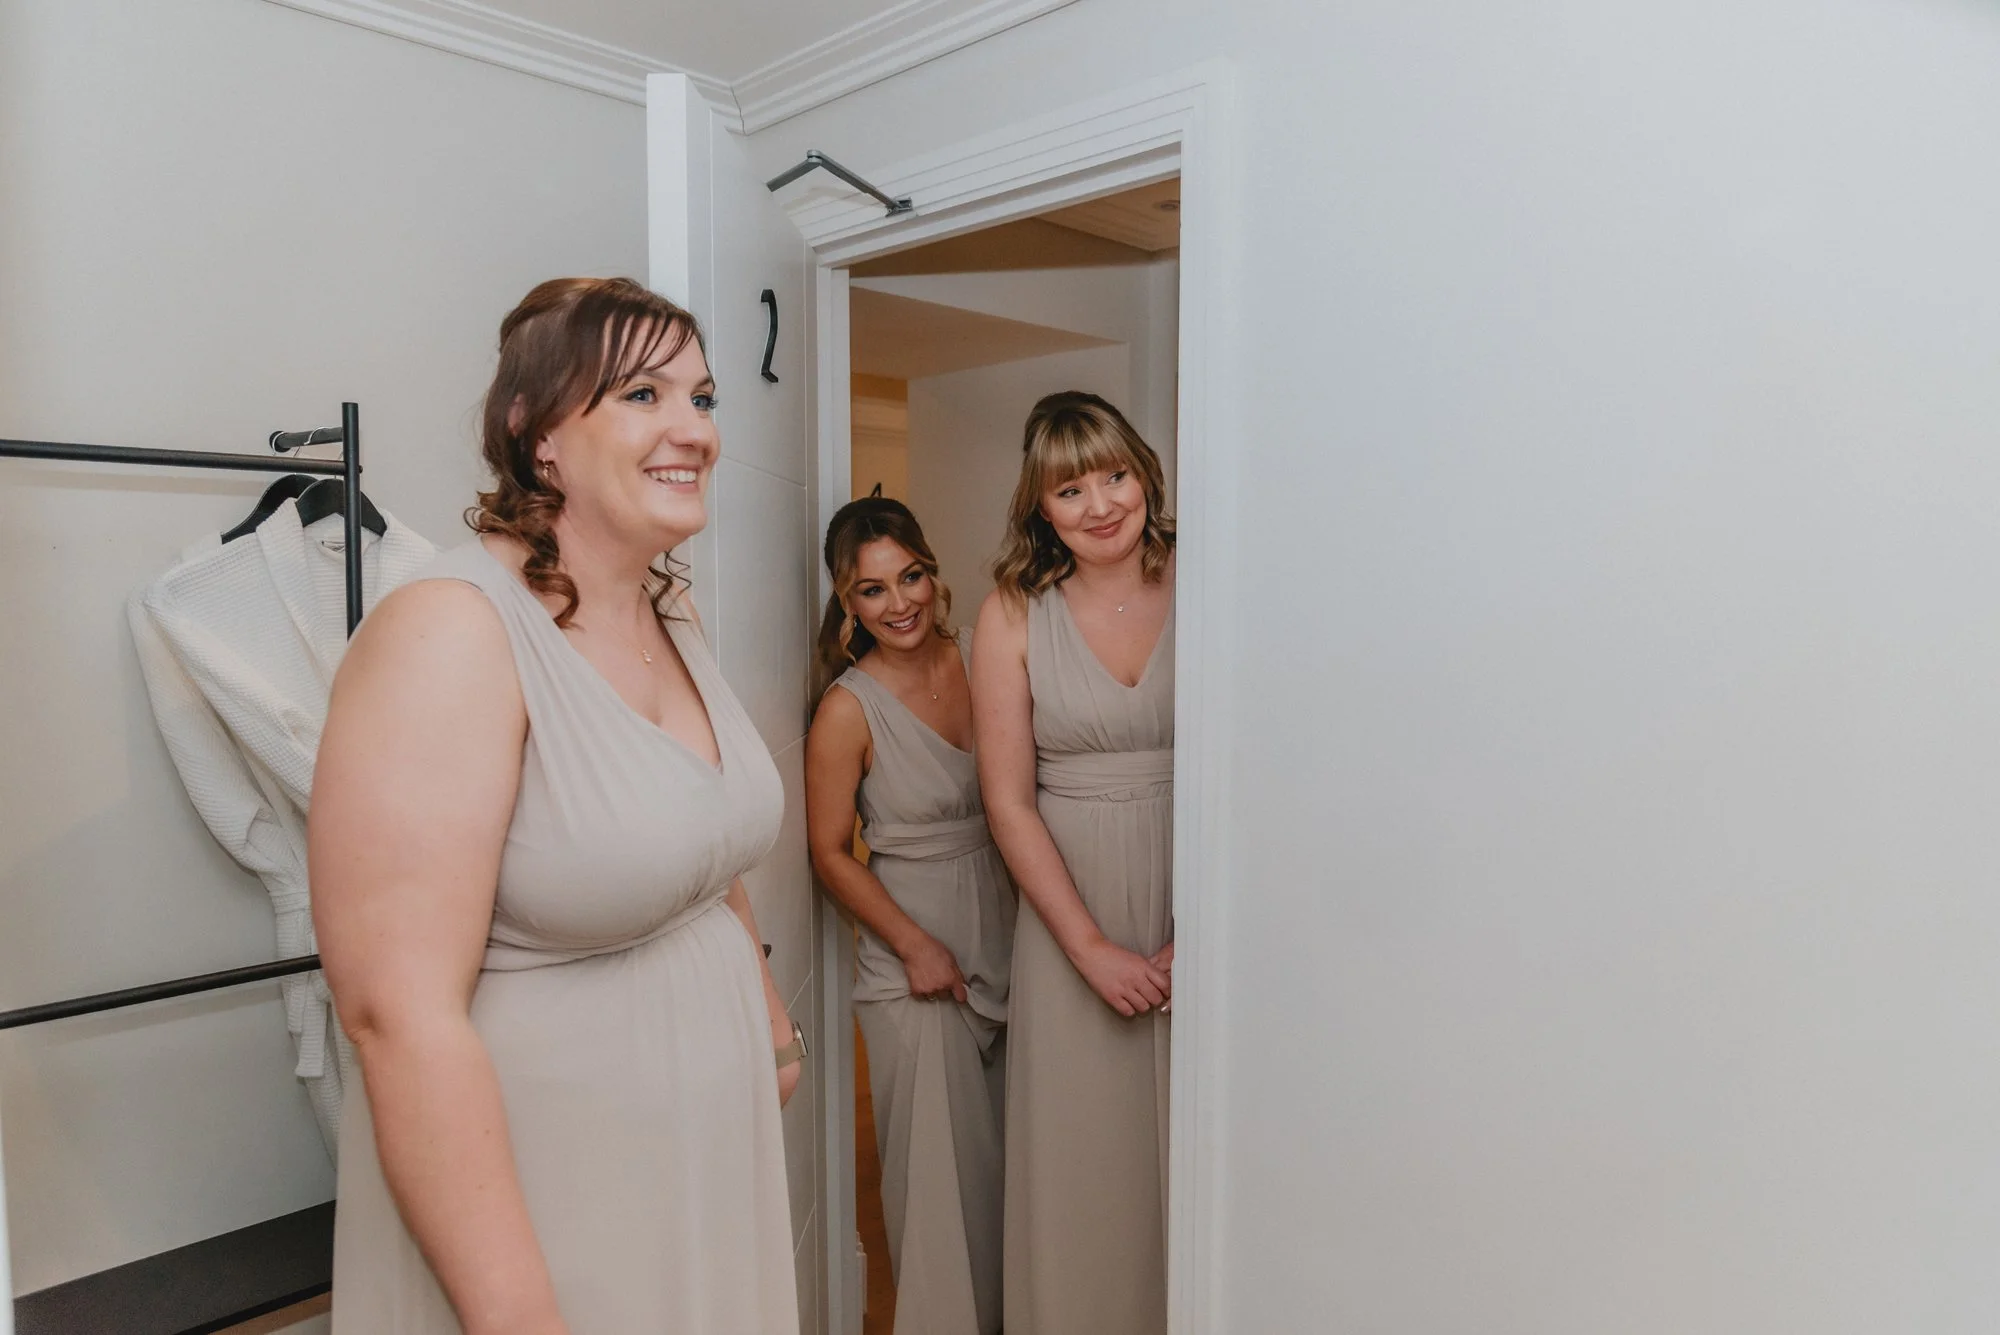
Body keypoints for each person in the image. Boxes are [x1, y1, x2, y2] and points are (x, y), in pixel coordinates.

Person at [311, 276, 803, 1335]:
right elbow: (393, 1013)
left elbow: (697, 838)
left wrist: (763, 1017)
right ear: (536, 437)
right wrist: (517, 1315)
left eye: (702, 399)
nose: (693, 431)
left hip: (700, 1156)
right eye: (640, 395)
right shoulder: (449, 631)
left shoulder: (665, 604)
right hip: (552, 1187)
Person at [972, 391, 1176, 1335]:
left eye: (1115, 475)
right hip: (1070, 916)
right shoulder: (1012, 612)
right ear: (1039, 507)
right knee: (1086, 1163)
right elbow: (1008, 801)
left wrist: (1206, 928)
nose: (1100, 504)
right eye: (1070, 488)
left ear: (1144, 473)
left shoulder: (1208, 577)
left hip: (1200, 900)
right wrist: (1090, 947)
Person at [805, 496, 1016, 1335]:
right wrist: (914, 945)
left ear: (933, 570)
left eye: (911, 576)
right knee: (935, 1192)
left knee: (1009, 1171)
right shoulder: (847, 709)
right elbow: (829, 853)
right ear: (844, 600)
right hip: (913, 957)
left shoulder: (980, 660)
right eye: (870, 590)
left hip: (1009, 933)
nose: (898, 603)